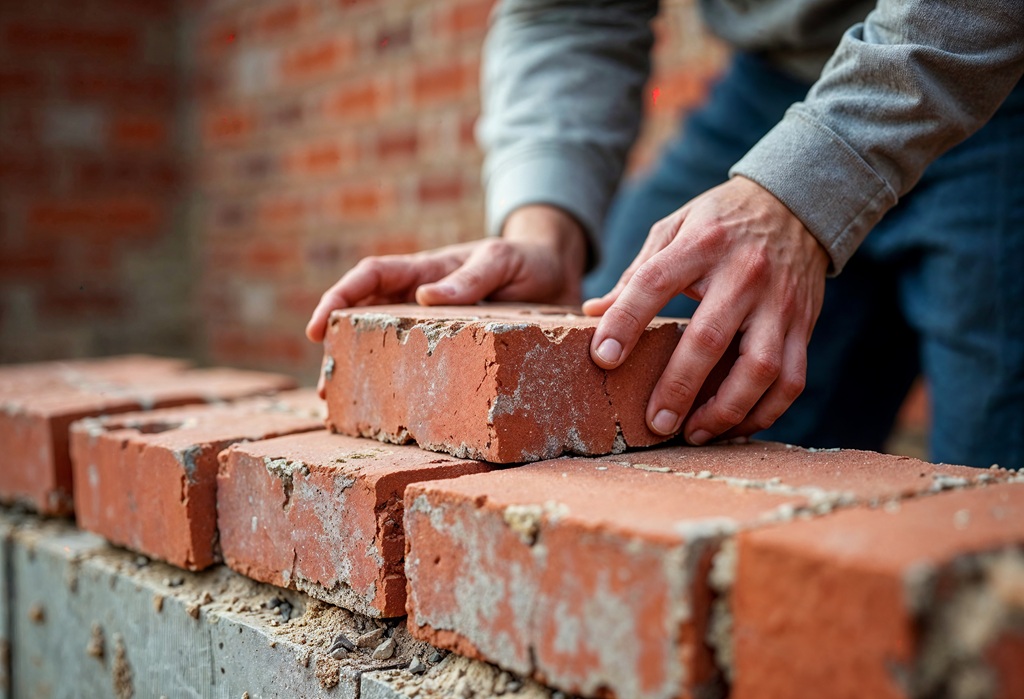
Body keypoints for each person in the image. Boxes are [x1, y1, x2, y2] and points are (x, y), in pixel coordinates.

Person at [307, 0, 1024, 469]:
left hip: (993, 61)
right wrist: (544, 233)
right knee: (618, 361)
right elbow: (569, 15)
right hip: (776, 81)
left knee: (989, 483)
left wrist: (806, 185)